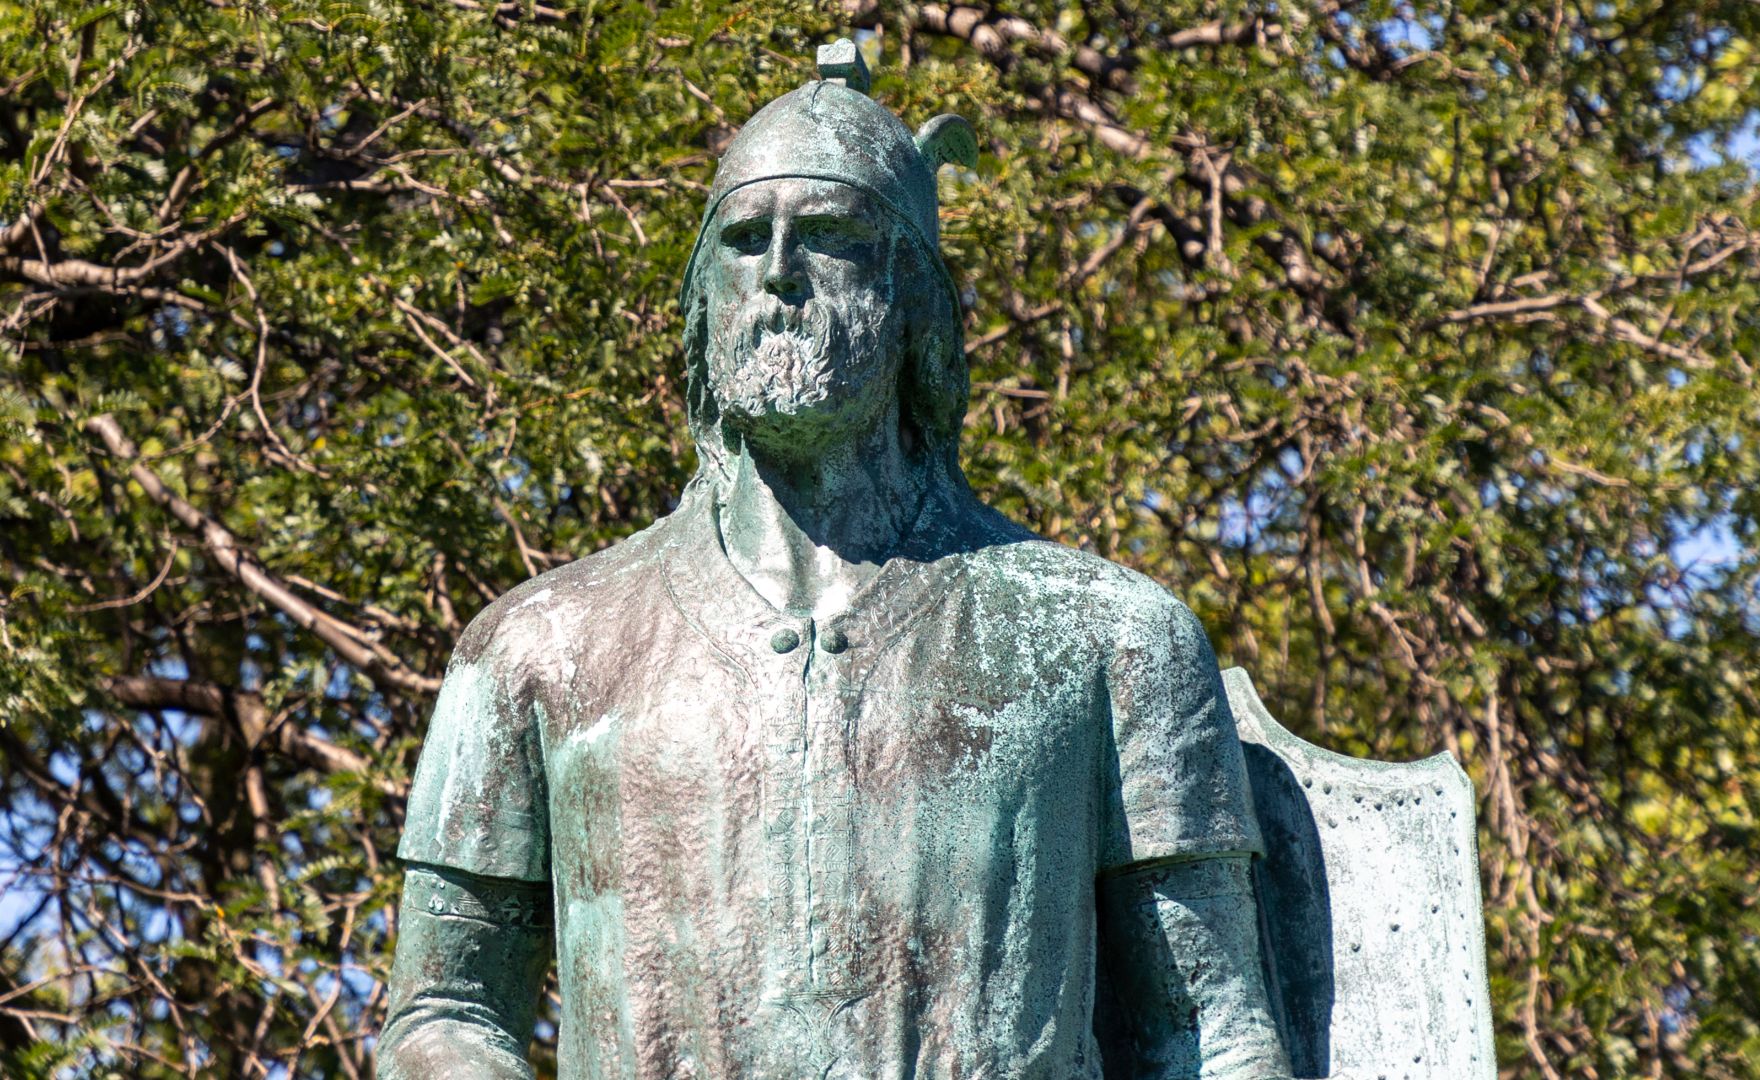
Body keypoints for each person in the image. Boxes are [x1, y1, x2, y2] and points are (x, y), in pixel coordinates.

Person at [377, 49, 1294, 1080]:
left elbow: (1213, 1035)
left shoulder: (1108, 636)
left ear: (915, 298)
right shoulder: (540, 647)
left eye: (829, 239)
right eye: (740, 242)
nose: (777, 275)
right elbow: (443, 1013)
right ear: (699, 298)